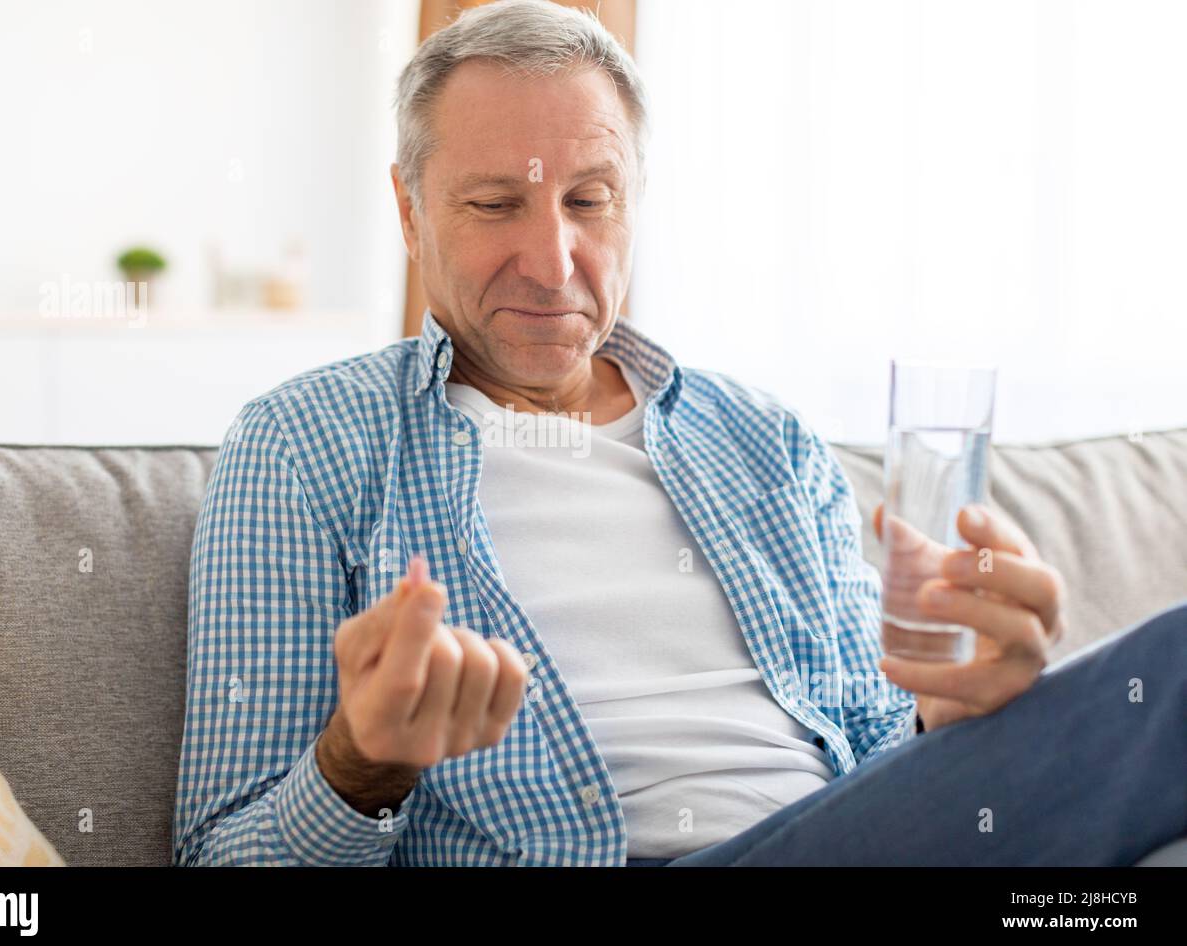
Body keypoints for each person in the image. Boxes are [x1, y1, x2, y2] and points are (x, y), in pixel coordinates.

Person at [171, 0, 1186, 866]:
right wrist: (364, 761)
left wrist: (963, 716)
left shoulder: (764, 440)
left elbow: (879, 756)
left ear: (634, 202)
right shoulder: (305, 444)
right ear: (407, 208)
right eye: (493, 204)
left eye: (589, 200)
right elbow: (218, 854)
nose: (553, 259)